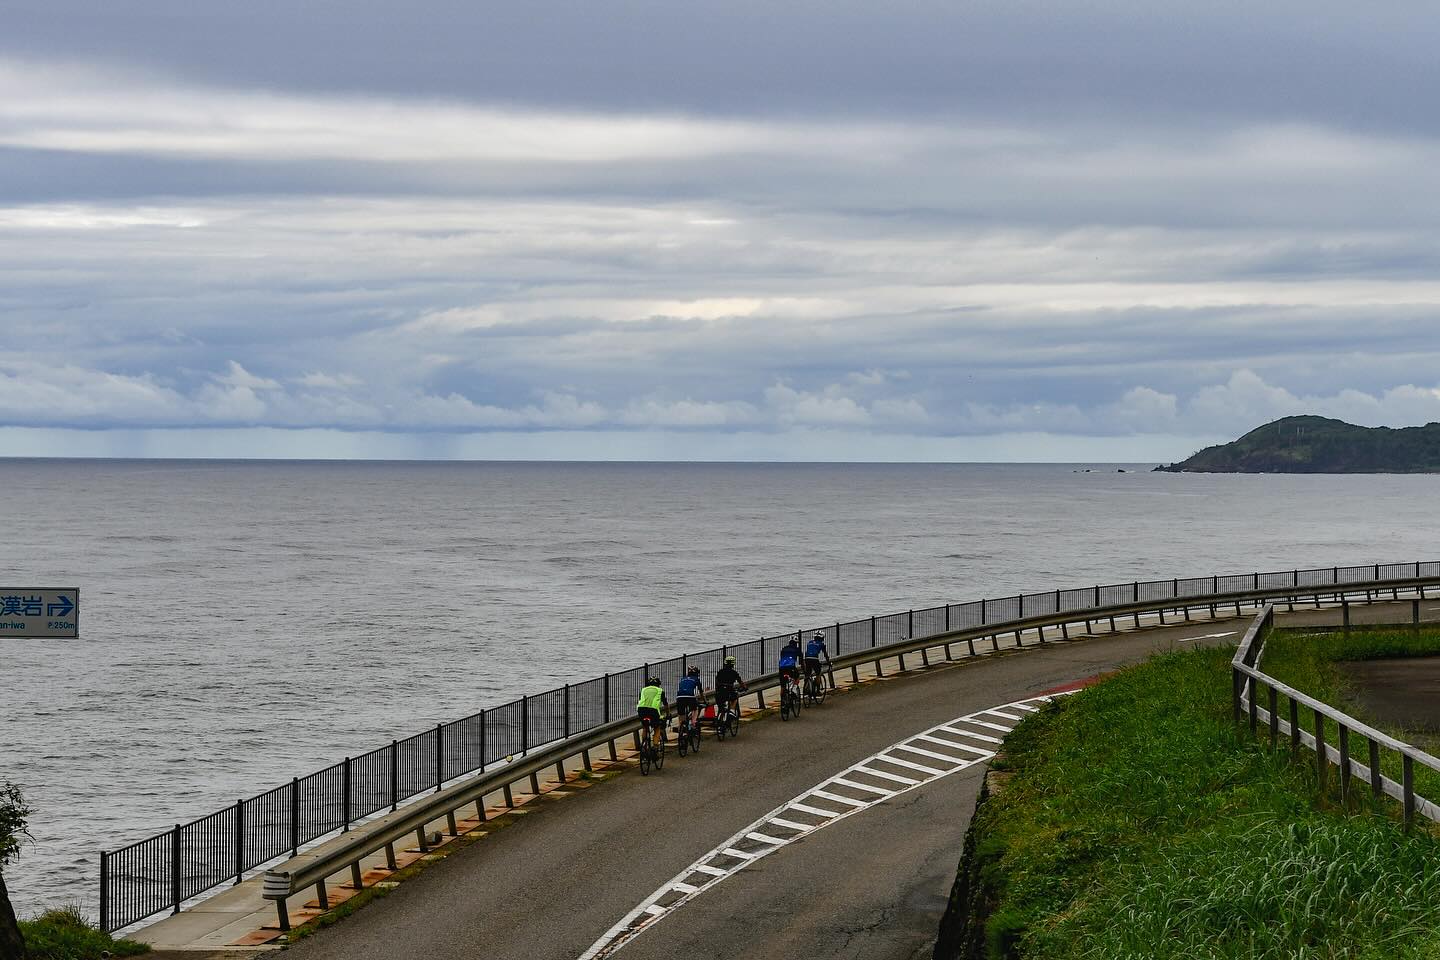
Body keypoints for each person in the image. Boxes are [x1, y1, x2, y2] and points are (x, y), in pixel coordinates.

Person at [636, 676, 667, 748]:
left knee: (645, 727)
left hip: (641, 709)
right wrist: (668, 713)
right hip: (653, 711)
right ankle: (655, 747)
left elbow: (640, 700)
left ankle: (644, 745)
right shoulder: (660, 691)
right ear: (658, 684)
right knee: (657, 728)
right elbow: (665, 704)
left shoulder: (643, 690)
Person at [675, 666, 705, 734]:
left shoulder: (683, 679)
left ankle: (681, 728)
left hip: (679, 697)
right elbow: (701, 692)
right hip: (690, 696)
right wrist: (704, 700)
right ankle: (693, 723)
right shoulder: (696, 679)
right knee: (695, 708)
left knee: (681, 714)